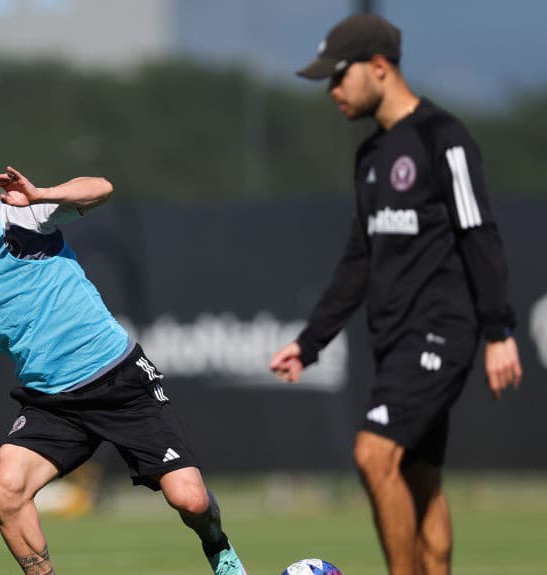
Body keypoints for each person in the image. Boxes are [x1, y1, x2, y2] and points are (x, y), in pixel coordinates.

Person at [0, 164, 248, 575]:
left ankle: (218, 547)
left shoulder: (19, 217)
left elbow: (102, 188)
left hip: (120, 380)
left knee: (191, 501)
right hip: (52, 404)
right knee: (3, 489)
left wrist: (42, 193)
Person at [269, 13, 522, 575]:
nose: (331, 90)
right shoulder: (370, 158)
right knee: (419, 479)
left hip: (441, 332)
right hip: (392, 340)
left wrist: (498, 332)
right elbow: (359, 260)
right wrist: (310, 343)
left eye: (338, 77)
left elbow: (479, 234)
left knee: (373, 453)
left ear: (378, 67)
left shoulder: (444, 139)